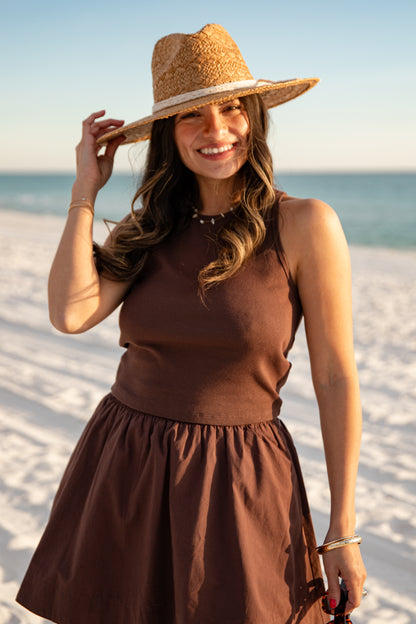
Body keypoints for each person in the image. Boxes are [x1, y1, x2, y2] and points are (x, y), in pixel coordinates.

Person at [16, 23, 366, 624]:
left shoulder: (305, 224)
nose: (216, 130)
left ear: (253, 116)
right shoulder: (149, 228)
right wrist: (84, 193)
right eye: (192, 116)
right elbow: (70, 312)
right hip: (127, 462)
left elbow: (334, 377)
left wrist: (342, 531)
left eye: (231, 109)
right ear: (166, 135)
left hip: (242, 477)